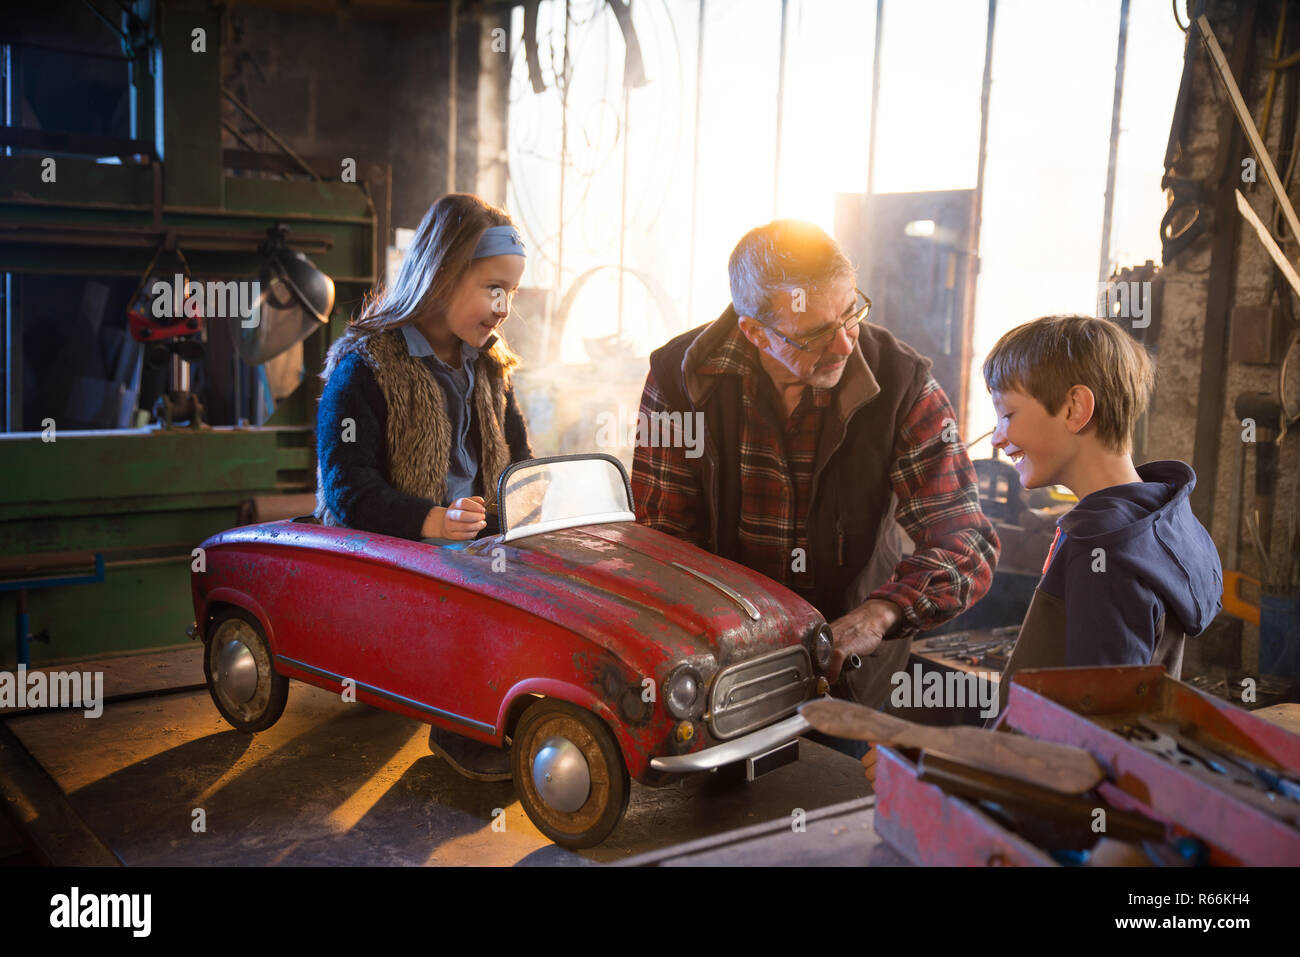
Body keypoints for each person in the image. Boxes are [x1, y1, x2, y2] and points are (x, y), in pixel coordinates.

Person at [631, 220, 1000, 746]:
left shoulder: (900, 382)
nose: (846, 345)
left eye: (851, 314)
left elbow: (966, 540)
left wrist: (881, 612)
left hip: (848, 678)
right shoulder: (679, 380)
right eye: (816, 334)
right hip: (721, 679)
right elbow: (662, 542)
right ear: (754, 331)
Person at [315, 192, 532, 779]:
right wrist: (432, 523)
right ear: (441, 274)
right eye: (494, 287)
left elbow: (520, 463)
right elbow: (347, 492)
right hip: (388, 553)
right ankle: (467, 727)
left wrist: (536, 501)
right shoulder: (366, 364)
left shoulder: (490, 366)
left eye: (511, 292)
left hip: (476, 543)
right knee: (471, 599)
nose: (504, 306)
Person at [984, 314, 1222, 710]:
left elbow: (1096, 730)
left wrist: (942, 760)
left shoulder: (1102, 549)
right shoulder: (1156, 519)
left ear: (1075, 408)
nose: (996, 437)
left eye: (1008, 414)